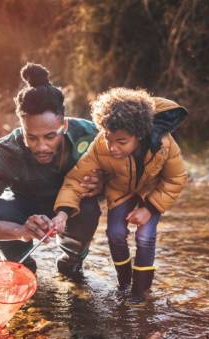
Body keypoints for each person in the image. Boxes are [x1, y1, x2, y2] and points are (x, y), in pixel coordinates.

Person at [0, 63, 102, 277]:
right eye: (31, 137)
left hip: (73, 210)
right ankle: (21, 267)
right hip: (23, 211)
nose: (41, 146)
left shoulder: (90, 135)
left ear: (64, 125)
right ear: (22, 127)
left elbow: (131, 173)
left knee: (89, 207)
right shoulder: (8, 151)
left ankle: (72, 261)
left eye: (50, 136)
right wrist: (19, 232)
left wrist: (103, 183)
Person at [52, 87, 188, 299]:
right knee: (115, 234)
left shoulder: (164, 145)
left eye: (121, 142)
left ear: (139, 135)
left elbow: (176, 178)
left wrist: (149, 208)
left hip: (150, 193)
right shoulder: (101, 145)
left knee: (145, 236)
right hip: (120, 191)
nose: (112, 147)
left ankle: (140, 292)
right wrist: (62, 211)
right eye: (108, 138)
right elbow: (76, 179)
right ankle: (124, 285)